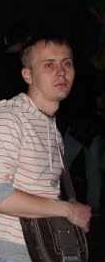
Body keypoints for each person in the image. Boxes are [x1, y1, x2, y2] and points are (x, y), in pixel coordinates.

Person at [0, 35, 92, 262]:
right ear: (27, 75)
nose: (61, 72)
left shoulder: (49, 125)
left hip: (54, 254)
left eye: (67, 63)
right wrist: (68, 210)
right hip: (19, 261)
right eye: (49, 65)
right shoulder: (9, 118)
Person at [58, 72, 102, 217]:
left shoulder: (69, 82)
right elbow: (100, 103)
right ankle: (94, 204)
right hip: (93, 127)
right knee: (93, 169)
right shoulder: (91, 80)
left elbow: (64, 105)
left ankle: (59, 199)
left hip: (78, 128)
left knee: (63, 165)